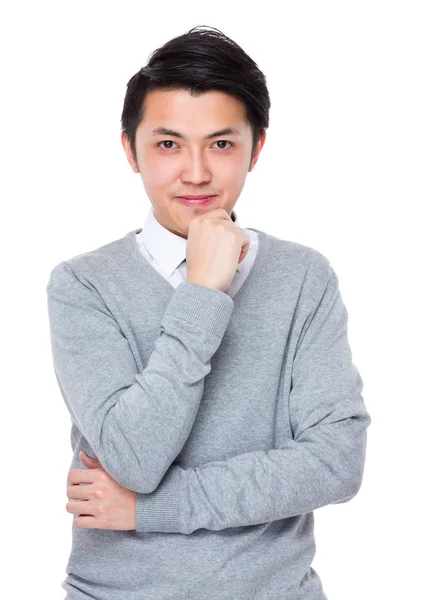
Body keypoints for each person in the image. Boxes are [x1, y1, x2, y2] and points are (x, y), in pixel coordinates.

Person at [46, 24, 371, 600]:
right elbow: (134, 457)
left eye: (221, 144)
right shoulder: (83, 285)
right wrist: (203, 293)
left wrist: (152, 509)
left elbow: (337, 463)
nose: (196, 173)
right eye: (168, 144)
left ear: (257, 148)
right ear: (131, 150)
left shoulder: (303, 278)